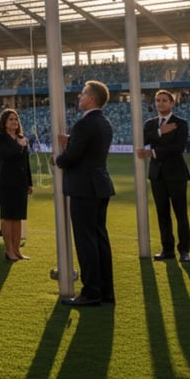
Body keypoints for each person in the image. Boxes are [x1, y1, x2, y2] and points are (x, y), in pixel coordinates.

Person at [54, 81, 116, 307]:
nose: (79, 97)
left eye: (82, 95)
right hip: (100, 185)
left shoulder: (84, 124)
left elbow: (72, 157)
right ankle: (105, 290)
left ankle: (91, 292)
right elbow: (89, 149)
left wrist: (57, 159)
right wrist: (72, 142)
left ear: (91, 99)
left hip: (83, 188)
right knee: (100, 239)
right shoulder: (104, 123)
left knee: (86, 240)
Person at [136, 89, 190, 263]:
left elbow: (178, 148)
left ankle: (184, 251)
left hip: (176, 174)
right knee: (162, 213)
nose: (160, 103)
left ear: (172, 103)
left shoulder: (180, 123)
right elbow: (141, 139)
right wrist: (160, 132)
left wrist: (152, 152)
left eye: (164, 100)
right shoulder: (150, 124)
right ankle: (167, 249)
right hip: (157, 175)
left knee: (180, 213)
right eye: (157, 100)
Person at [0, 108, 33, 261]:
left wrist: (29, 183)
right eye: (11, 119)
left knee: (18, 218)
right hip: (7, 182)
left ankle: (17, 250)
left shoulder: (21, 138)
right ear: (4, 122)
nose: (14, 122)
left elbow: (26, 163)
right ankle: (9, 250)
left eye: (16, 119)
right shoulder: (0, 139)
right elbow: (4, 156)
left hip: (21, 183)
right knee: (7, 217)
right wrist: (19, 146)